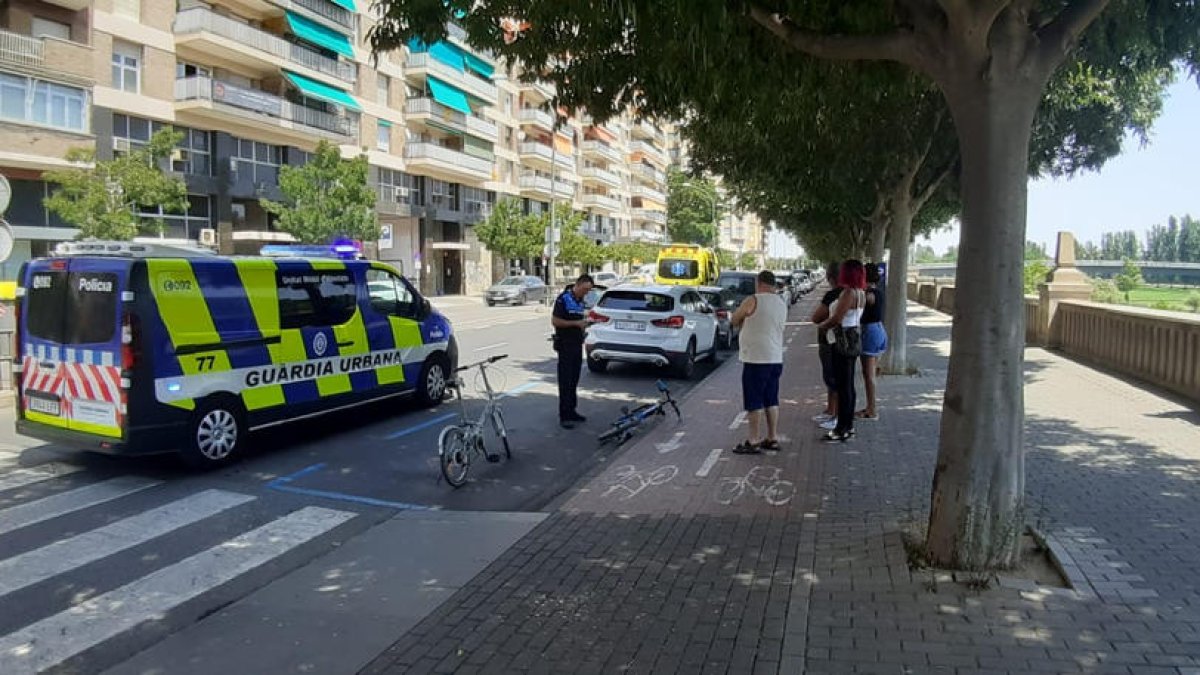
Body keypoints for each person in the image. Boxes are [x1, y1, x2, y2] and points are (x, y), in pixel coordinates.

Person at [730, 270, 787, 454]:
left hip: (756, 358)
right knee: (772, 398)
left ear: (759, 283)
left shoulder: (753, 299)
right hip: (775, 357)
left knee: (754, 399)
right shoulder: (781, 302)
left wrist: (742, 320)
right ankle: (772, 437)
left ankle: (753, 440)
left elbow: (735, 318)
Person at [818, 260, 866, 442]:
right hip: (853, 340)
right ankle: (848, 426)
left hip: (841, 341)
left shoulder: (848, 293)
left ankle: (842, 428)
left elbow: (837, 318)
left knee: (842, 385)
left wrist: (823, 326)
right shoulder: (861, 293)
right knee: (848, 385)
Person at [551, 274, 594, 429]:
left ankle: (572, 410)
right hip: (565, 344)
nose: (586, 293)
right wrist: (576, 323)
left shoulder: (579, 301)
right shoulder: (564, 299)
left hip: (576, 344)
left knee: (574, 379)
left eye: (588, 291)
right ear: (578, 284)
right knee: (565, 380)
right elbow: (555, 321)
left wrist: (585, 325)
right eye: (585, 289)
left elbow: (579, 320)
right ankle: (564, 415)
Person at [810, 263, 841, 430]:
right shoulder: (849, 293)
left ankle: (835, 414)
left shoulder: (833, 295)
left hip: (830, 341)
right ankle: (830, 410)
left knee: (832, 378)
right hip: (836, 341)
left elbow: (816, 317)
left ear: (830, 277)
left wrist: (823, 324)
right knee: (831, 378)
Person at [858, 263, 888, 420]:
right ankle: (870, 407)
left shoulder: (869, 293)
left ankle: (872, 410)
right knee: (870, 373)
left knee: (868, 375)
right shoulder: (880, 291)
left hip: (869, 331)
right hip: (879, 330)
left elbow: (864, 301)